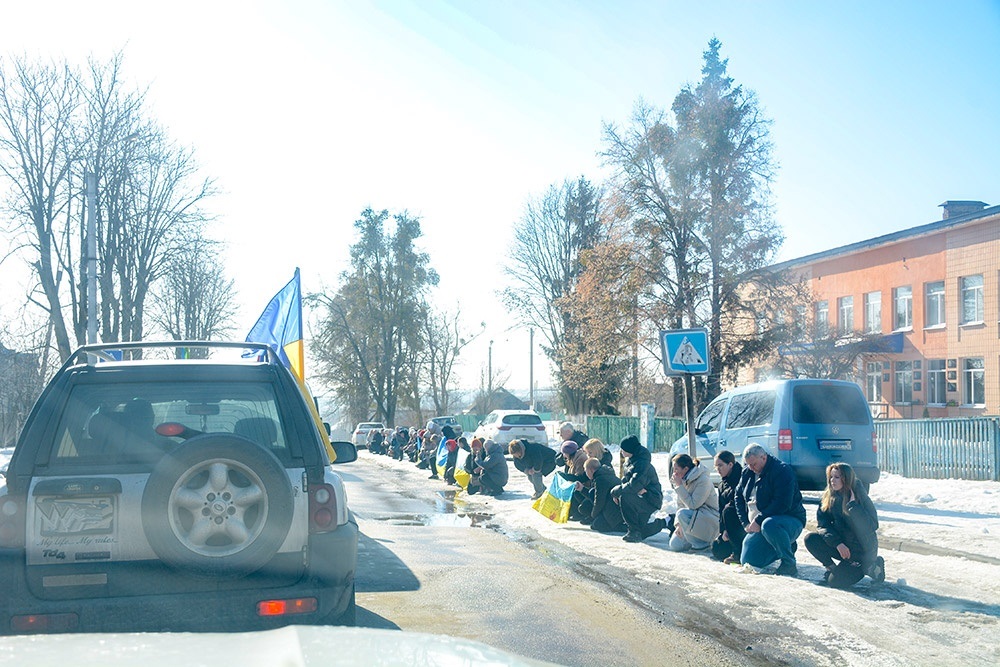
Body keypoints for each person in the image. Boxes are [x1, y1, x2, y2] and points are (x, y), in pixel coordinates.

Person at [804, 463, 884, 588]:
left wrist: (853, 507)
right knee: (811, 539)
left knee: (835, 583)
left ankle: (872, 566)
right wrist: (837, 543)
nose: (832, 481)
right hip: (843, 548)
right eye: (831, 477)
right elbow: (823, 525)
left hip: (861, 553)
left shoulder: (859, 497)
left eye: (837, 477)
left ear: (846, 479)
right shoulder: (828, 497)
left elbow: (872, 525)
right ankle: (832, 569)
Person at [735, 443, 807, 576]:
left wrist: (759, 519)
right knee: (748, 561)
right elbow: (738, 497)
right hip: (758, 524)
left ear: (763, 457)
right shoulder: (747, 472)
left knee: (769, 524)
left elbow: (782, 503)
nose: (751, 468)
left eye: (754, 464)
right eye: (748, 464)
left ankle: (788, 562)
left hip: (788, 520)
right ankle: (786, 546)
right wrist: (745, 523)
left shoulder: (782, 470)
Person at [610, 435, 665, 543]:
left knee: (625, 496)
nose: (621, 451)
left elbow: (634, 486)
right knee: (643, 531)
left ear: (629, 450)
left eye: (623, 449)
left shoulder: (642, 464)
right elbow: (626, 483)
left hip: (650, 499)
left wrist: (615, 491)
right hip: (640, 497)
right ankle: (635, 530)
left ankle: (665, 522)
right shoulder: (631, 461)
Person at [668, 453, 720, 552]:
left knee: (682, 514)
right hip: (692, 518)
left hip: (709, 518)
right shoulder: (683, 479)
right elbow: (680, 504)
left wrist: (679, 486)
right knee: (675, 545)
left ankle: (701, 545)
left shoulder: (703, 480)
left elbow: (693, 505)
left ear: (686, 469)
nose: (674, 473)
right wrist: (679, 524)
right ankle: (694, 539)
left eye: (676, 469)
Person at [710, 450, 746, 564]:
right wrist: (724, 530)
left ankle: (737, 553)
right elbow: (720, 509)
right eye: (716, 466)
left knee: (729, 510)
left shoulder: (742, 478)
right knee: (717, 549)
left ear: (730, 464)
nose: (718, 469)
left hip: (742, 523)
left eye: (720, 465)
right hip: (729, 525)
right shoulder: (722, 484)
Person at [584, 457, 627, 533]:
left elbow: (599, 501)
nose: (586, 474)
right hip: (613, 508)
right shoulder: (606, 474)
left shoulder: (600, 479)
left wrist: (593, 516)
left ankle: (619, 526)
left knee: (596, 525)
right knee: (591, 492)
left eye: (586, 471)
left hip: (613, 511)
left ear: (591, 470)